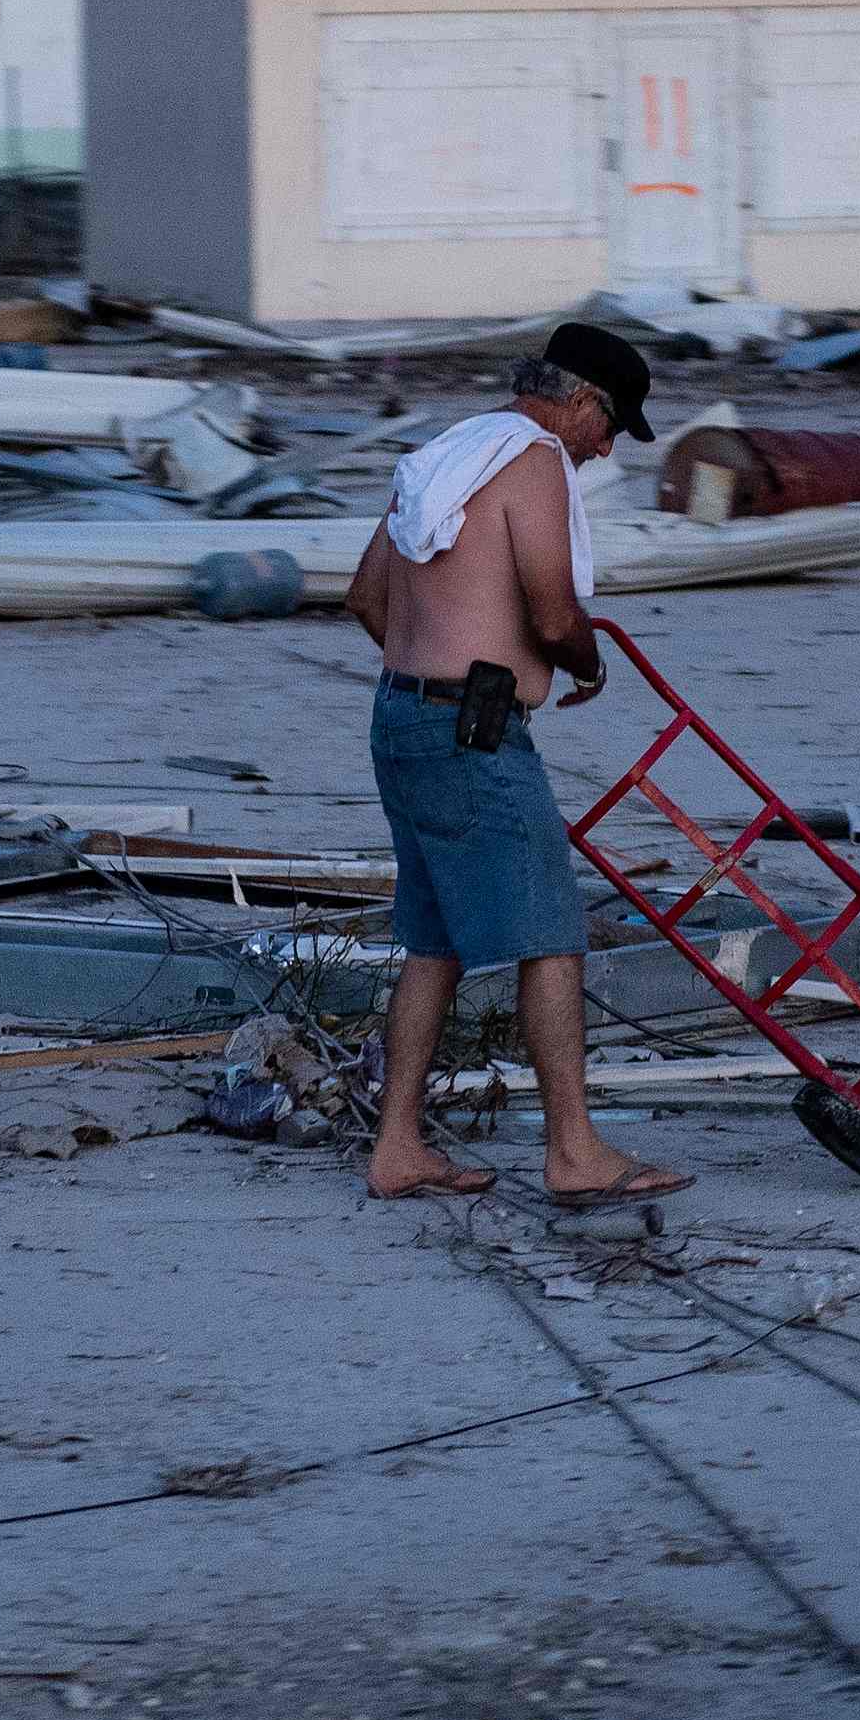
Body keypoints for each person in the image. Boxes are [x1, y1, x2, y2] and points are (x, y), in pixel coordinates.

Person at [337, 323, 689, 1209]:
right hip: (472, 732)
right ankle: (573, 1153)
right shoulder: (531, 460)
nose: (605, 449)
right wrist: (584, 663)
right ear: (578, 400)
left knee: (434, 941)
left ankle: (399, 1146)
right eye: (610, 427)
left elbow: (364, 597)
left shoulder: (443, 455)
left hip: (401, 717)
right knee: (551, 936)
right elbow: (550, 605)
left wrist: (433, 665)